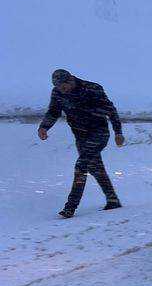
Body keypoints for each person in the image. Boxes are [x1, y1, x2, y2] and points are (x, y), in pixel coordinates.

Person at [38, 69, 125, 218]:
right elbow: (54, 112)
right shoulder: (57, 93)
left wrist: (118, 132)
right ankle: (113, 200)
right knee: (95, 168)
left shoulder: (93, 89)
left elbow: (110, 110)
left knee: (81, 166)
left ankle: (70, 207)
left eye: (64, 86)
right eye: (59, 87)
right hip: (80, 136)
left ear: (71, 80)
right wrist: (44, 127)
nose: (61, 90)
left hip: (99, 134)